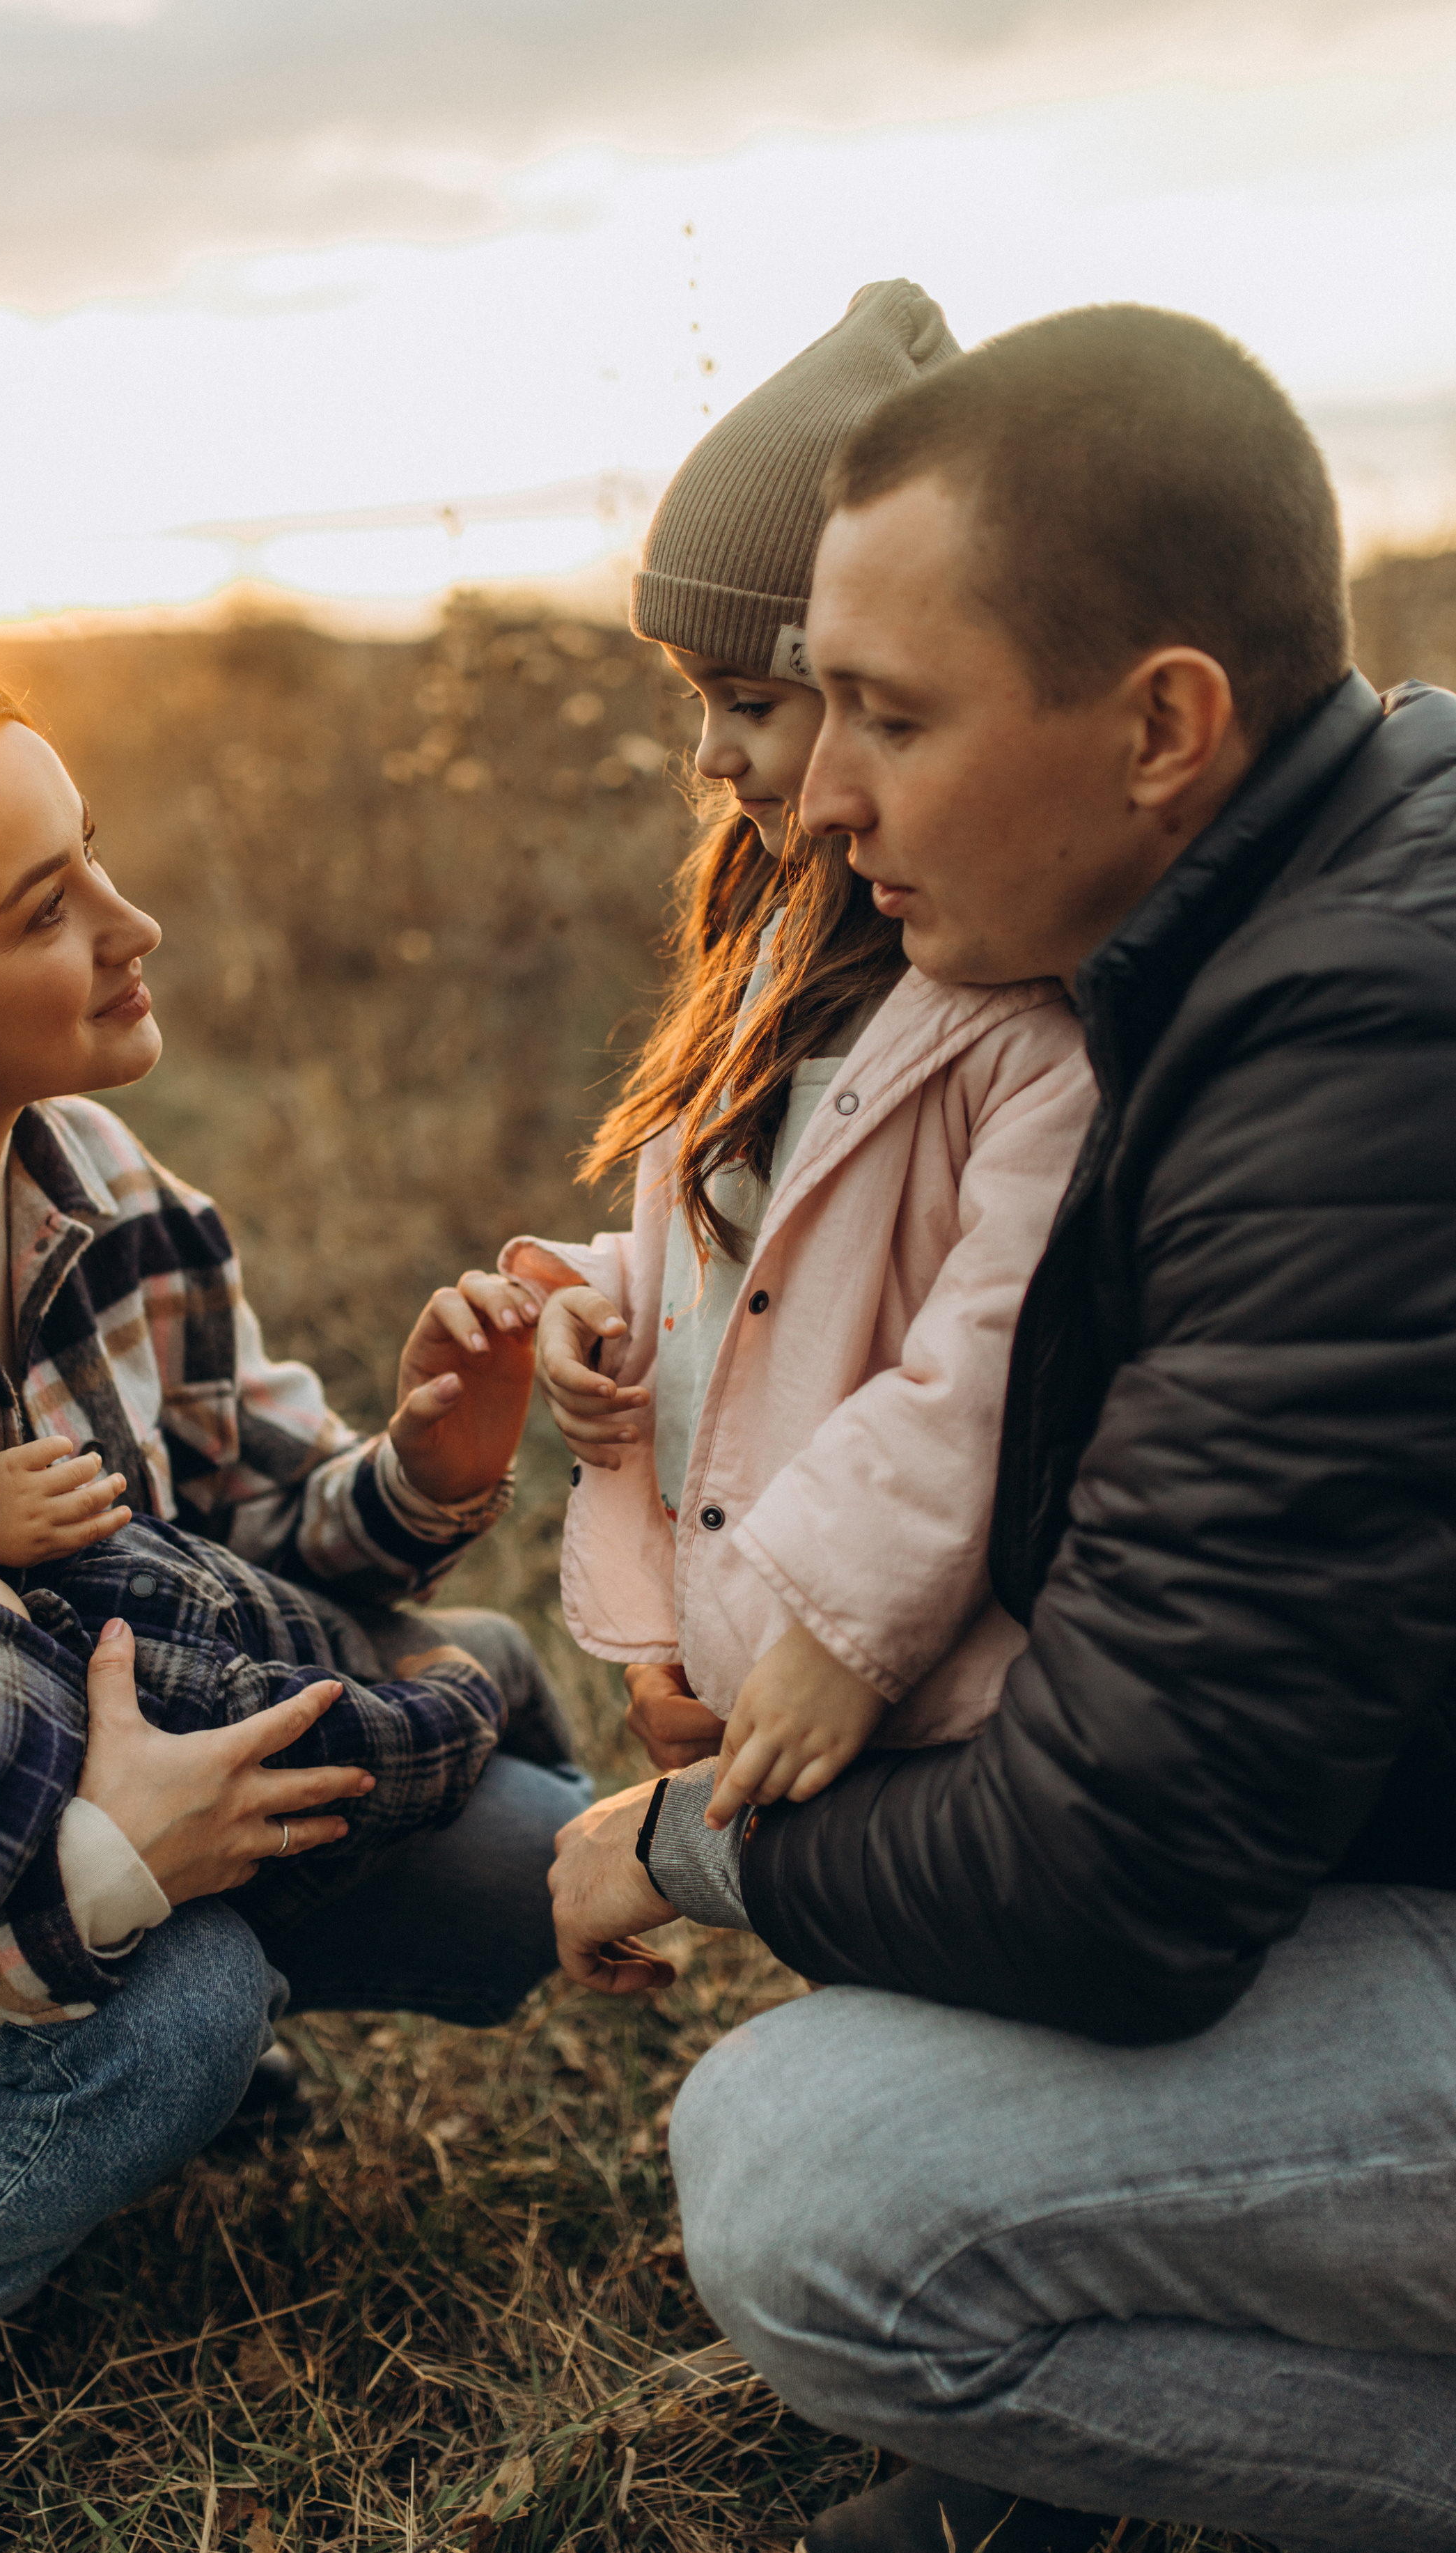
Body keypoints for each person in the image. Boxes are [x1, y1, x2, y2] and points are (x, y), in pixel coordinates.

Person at [548, 303, 1456, 2553]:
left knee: (801, 2185)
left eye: (890, 718)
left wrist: (689, 1844)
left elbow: (1125, 1877)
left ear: (1166, 722)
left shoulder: (1378, 1049)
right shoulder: (1314, 890)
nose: (822, 797)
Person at [0, 655, 586, 2545]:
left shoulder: (103, 1179)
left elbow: (255, 1541)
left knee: (526, 1881)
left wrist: (428, 1472)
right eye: (44, 908)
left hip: (135, 1805)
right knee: (186, 2007)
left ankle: (152, 2006)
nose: (136, 931)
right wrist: (104, 1875)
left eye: (93, 856)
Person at [506, 283, 1094, 1821]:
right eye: (695, 703)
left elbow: (977, 1369)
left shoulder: (1008, 1003)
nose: (708, 756)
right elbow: (752, 1246)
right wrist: (604, 1297)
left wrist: (828, 1627)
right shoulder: (772, 938)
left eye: (746, 702)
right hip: (766, 1631)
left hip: (918, 1687)